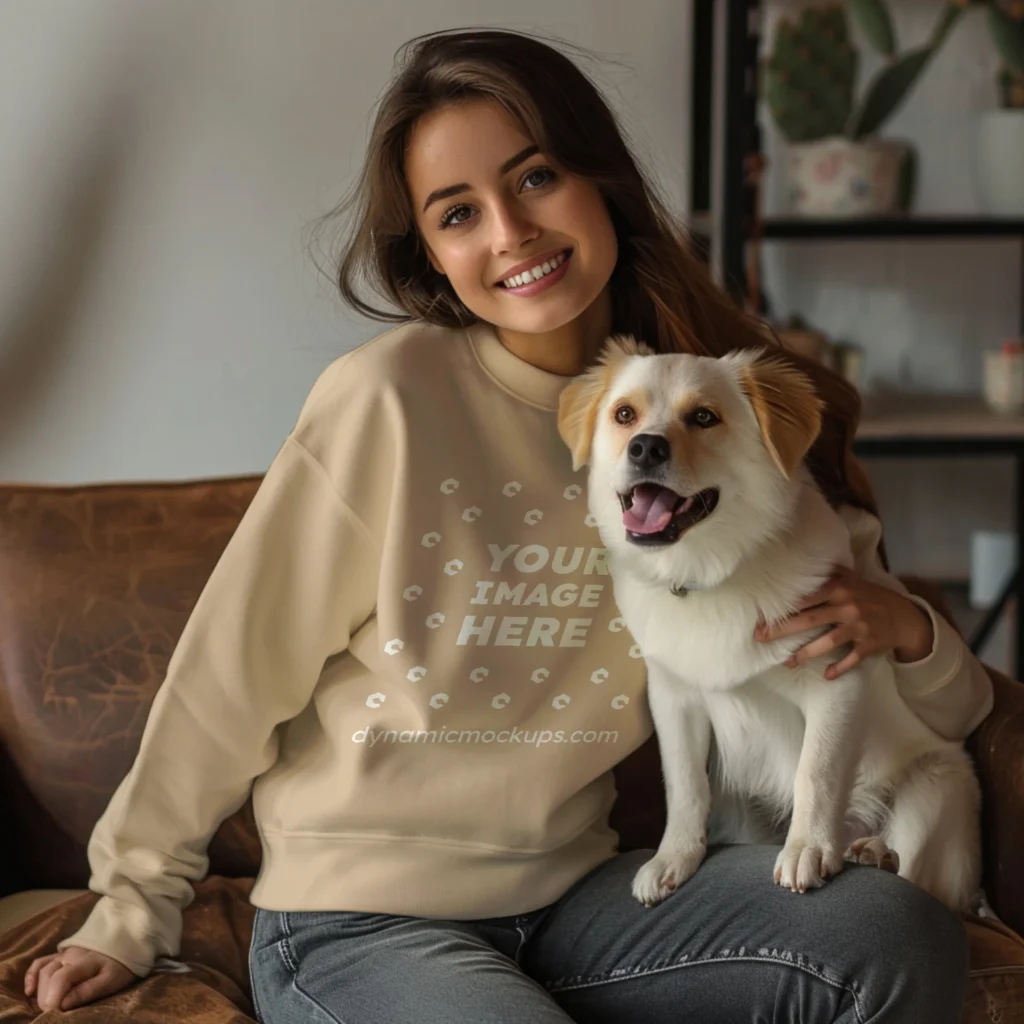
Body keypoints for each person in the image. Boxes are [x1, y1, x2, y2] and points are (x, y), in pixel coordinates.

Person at [24, 27, 993, 1023]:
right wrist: (130, 906)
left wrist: (910, 632)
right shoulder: (387, 401)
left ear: (599, 178)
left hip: (578, 901)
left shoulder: (711, 409)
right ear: (436, 259)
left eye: (534, 178)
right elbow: (229, 672)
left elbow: (912, 687)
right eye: (458, 214)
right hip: (359, 920)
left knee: (885, 935)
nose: (509, 232)